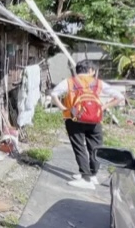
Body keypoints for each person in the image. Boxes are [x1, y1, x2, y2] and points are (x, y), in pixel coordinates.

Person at [49, 60, 125, 189]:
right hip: (94, 119)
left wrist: (63, 108)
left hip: (73, 118)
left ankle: (86, 178)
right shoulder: (98, 83)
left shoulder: (69, 81)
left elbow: (54, 94)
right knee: (95, 147)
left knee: (79, 147)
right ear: (91, 70)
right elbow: (119, 97)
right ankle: (93, 175)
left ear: (78, 70)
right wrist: (104, 107)